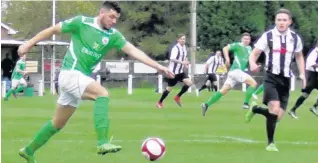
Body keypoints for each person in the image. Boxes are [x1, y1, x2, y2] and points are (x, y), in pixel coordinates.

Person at [17, 2, 174, 163]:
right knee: (102, 94)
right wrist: (29, 44)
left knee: (58, 123)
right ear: (101, 13)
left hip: (78, 79)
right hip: (70, 73)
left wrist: (159, 67)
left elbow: (133, 51)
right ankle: (103, 142)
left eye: (116, 19)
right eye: (111, 17)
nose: (114, 21)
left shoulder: (113, 36)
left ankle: (28, 151)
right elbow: (53, 30)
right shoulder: (81, 22)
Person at [246, 8, 306, 151]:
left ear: (290, 22)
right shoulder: (268, 36)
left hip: (286, 80)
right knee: (274, 108)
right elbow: (254, 53)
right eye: (279, 19)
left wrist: (302, 74)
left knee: (278, 116)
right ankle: (270, 143)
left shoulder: (295, 38)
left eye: (284, 20)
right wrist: (252, 63)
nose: (281, 22)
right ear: (275, 21)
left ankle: (255, 109)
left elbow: (299, 56)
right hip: (271, 77)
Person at [201, 32, 258, 116]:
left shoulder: (249, 48)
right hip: (236, 71)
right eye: (244, 39)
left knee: (223, 91)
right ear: (241, 39)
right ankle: (246, 103)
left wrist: (254, 64)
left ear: (250, 40)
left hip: (234, 73)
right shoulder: (238, 45)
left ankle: (206, 104)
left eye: (248, 39)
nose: (246, 40)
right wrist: (227, 59)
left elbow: (250, 59)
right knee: (253, 83)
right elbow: (225, 48)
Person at [288, 38, 318, 119]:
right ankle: (292, 110)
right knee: (306, 94)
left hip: (316, 76)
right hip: (311, 75)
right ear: (317, 44)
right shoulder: (315, 52)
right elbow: (310, 63)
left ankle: (314, 107)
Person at [156, 34, 194, 108]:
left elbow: (184, 57)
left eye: (184, 39)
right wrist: (182, 62)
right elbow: (172, 59)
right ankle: (159, 102)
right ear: (178, 40)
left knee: (189, 83)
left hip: (181, 72)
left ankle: (177, 97)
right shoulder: (175, 48)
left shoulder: (184, 48)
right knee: (169, 88)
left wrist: (186, 62)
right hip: (173, 72)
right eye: (181, 39)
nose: (183, 40)